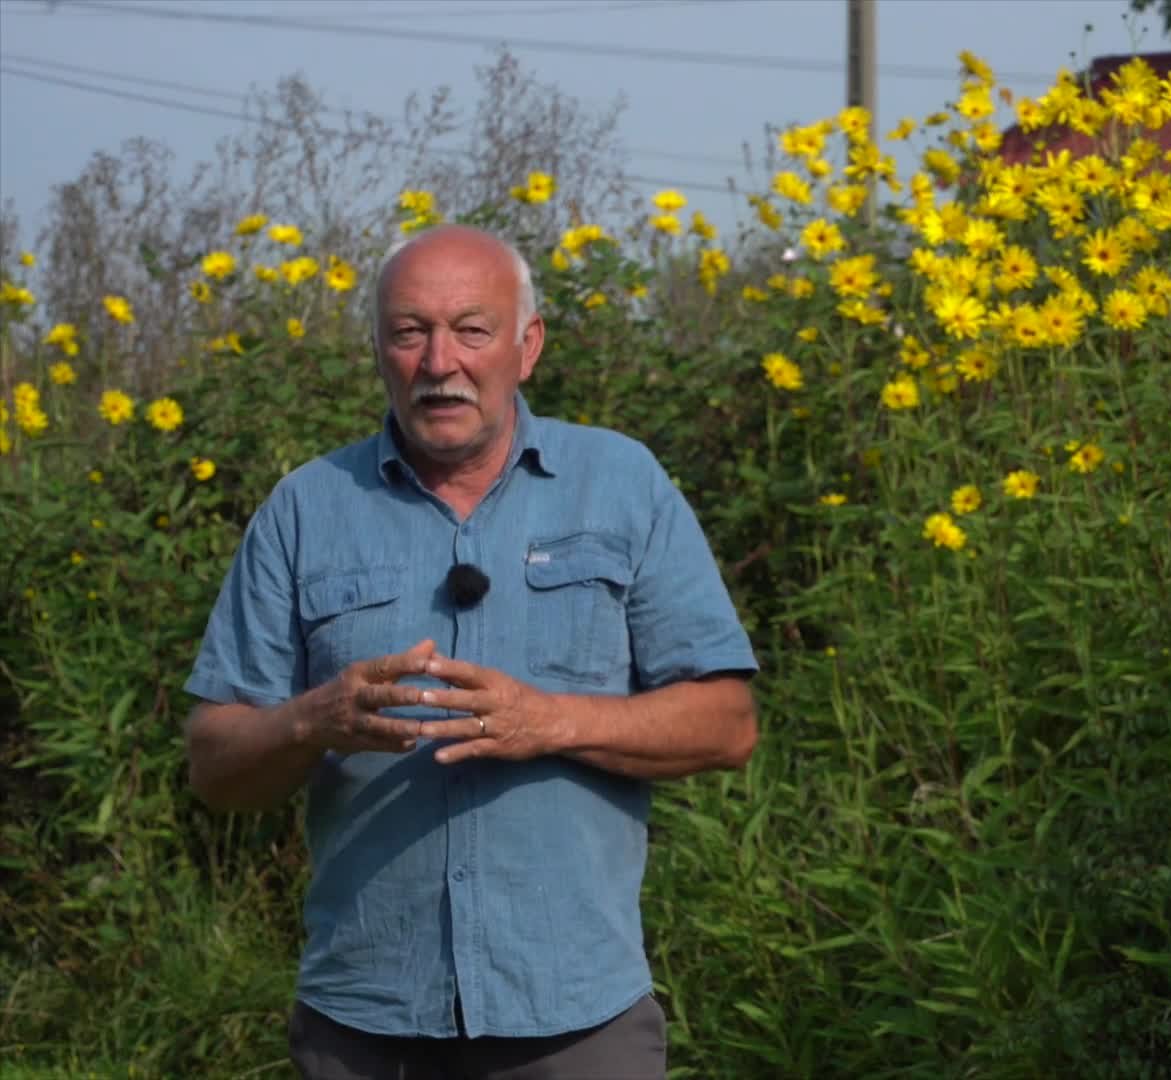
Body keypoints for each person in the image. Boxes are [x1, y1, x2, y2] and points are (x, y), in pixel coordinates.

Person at [183, 224, 758, 1079]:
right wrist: (315, 720)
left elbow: (727, 724)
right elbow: (214, 765)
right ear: (378, 349)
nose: (439, 360)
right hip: (365, 1024)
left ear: (527, 347)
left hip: (576, 1021)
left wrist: (547, 720)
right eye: (410, 332)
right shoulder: (306, 509)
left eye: (472, 329)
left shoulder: (623, 483)